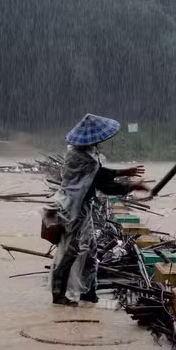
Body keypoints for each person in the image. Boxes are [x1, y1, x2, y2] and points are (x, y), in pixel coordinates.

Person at [50, 114, 148, 306]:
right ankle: (58, 295)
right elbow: (104, 184)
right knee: (71, 251)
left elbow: (99, 173)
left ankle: (88, 292)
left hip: (80, 207)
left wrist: (124, 173)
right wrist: (131, 185)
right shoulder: (82, 158)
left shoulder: (81, 153)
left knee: (90, 249)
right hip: (72, 210)